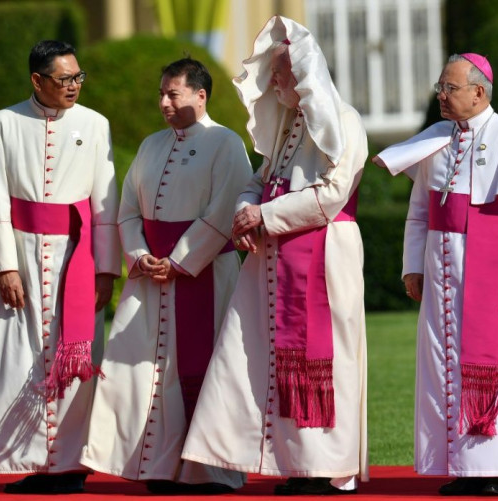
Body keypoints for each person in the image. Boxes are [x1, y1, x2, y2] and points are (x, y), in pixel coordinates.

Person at [181, 16, 369, 496]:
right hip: (273, 257)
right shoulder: (287, 126)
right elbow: (258, 178)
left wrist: (263, 216)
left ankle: (323, 467)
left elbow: (330, 194)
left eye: (281, 73)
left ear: (305, 75)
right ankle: (288, 463)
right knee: (257, 357)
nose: (274, 82)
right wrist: (246, 210)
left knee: (322, 362)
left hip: (324, 257)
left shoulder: (343, 121)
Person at [372, 53, 498, 496]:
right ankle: (463, 468)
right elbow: (419, 211)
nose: (441, 95)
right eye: (440, 87)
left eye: (450, 88)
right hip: (440, 270)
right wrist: (412, 266)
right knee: (445, 364)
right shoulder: (434, 139)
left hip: (495, 262)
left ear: (479, 92)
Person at [79, 58, 253, 494]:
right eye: (161, 93)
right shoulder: (151, 145)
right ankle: (158, 466)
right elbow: (128, 210)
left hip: (204, 274)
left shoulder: (226, 143)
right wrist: (139, 255)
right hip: (151, 276)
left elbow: (223, 213)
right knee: (148, 372)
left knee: (203, 368)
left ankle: (208, 471)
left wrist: (178, 261)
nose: (163, 102)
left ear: (200, 95)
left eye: (172, 93)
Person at [0, 40, 121, 495]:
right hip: (22, 257)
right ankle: (29, 461)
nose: (73, 86)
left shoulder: (95, 124)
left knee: (77, 357)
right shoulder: (3, 123)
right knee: (17, 358)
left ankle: (71, 465)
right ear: (37, 80)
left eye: (78, 77)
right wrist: (3, 266)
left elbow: (105, 202)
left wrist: (107, 268)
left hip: (77, 258)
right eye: (64, 79)